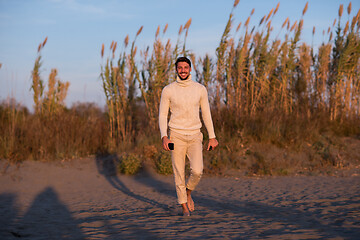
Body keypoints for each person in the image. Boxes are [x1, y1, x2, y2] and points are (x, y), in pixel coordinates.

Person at [159, 56, 219, 216]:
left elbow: (206, 113)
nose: (183, 70)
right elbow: (162, 115)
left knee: (197, 171)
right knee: (178, 173)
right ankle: (184, 207)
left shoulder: (200, 89)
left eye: (186, 67)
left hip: (195, 135)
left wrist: (212, 136)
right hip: (176, 135)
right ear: (176, 70)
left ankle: (188, 192)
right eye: (180, 68)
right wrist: (164, 136)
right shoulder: (168, 90)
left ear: (190, 69)